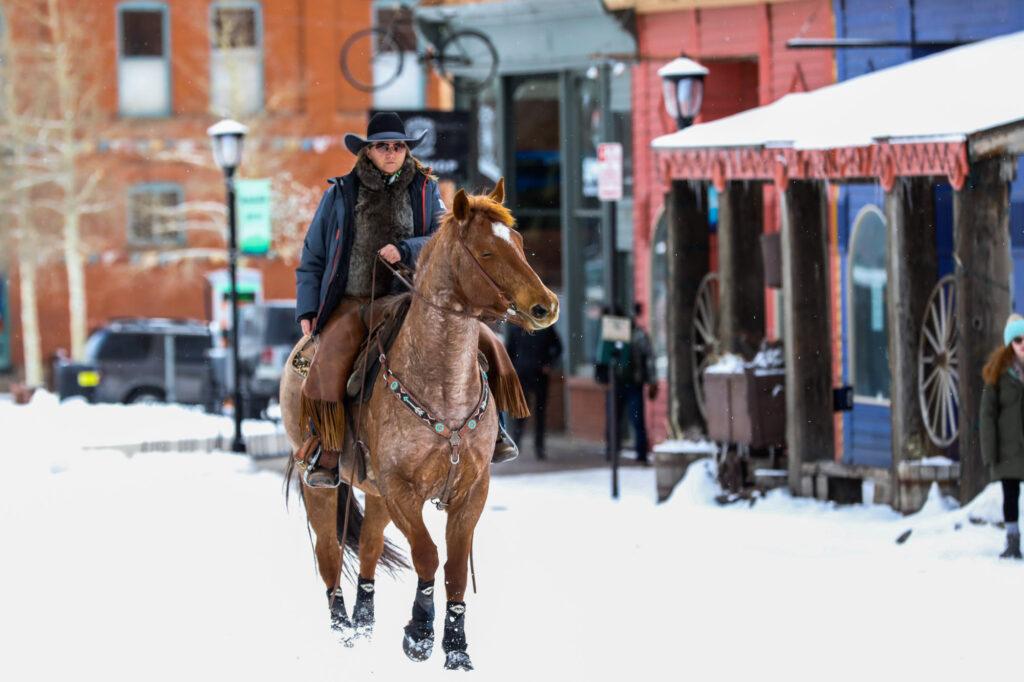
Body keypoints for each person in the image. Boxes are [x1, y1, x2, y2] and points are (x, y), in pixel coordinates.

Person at [295, 112, 520, 488]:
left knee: (489, 343)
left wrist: (405, 249)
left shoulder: (424, 189)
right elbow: (313, 255)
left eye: (398, 146)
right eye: (382, 146)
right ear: (367, 151)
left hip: (413, 296)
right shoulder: (340, 194)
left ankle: (495, 430)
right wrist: (307, 308)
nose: (391, 152)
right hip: (355, 299)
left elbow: (443, 239)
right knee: (330, 359)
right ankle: (328, 450)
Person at [980, 312, 1024, 559]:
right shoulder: (996, 374)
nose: (1022, 344)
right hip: (1008, 449)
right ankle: (1013, 541)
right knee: (1011, 495)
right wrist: (990, 452)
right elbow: (986, 416)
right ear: (1009, 344)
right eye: (1017, 340)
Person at [596, 303, 658, 465]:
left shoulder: (637, 334)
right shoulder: (609, 335)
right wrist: (602, 378)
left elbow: (649, 358)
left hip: (633, 384)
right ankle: (612, 451)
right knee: (613, 419)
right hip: (615, 383)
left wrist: (652, 381)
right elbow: (601, 359)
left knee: (636, 420)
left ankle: (641, 454)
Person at [506, 323, 562, 460]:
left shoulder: (545, 328)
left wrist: (549, 364)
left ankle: (539, 447)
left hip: (540, 375)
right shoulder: (516, 328)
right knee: (521, 411)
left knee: (540, 412)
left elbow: (558, 348)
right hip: (522, 375)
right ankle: (516, 443)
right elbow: (509, 351)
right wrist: (514, 367)